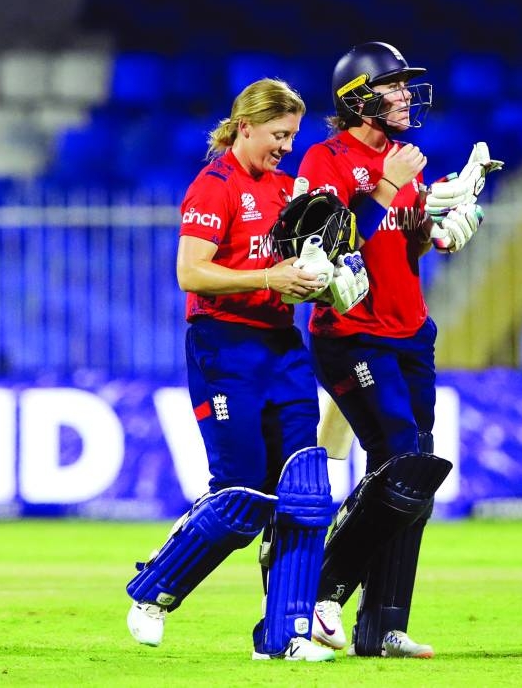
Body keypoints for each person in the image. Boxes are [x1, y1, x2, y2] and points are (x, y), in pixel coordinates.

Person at [123, 78, 367, 662]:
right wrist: (268, 278)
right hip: (224, 348)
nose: (286, 146)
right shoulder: (214, 187)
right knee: (242, 495)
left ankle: (284, 638)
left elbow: (308, 265)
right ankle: (154, 589)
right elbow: (191, 273)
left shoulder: (289, 192)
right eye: (279, 135)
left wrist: (327, 281)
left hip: (282, 346)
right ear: (246, 126)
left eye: (293, 136)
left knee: (307, 490)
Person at [296, 42, 497, 658]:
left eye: (407, 85)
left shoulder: (400, 161)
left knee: (417, 474)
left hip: (411, 330)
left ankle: (381, 625)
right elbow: (324, 238)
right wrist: (389, 186)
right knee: (403, 456)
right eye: (394, 86)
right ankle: (324, 591)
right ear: (359, 99)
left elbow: (398, 245)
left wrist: (443, 230)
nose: (407, 94)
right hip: (352, 333)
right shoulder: (326, 158)